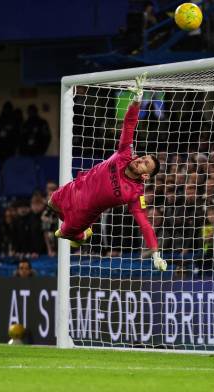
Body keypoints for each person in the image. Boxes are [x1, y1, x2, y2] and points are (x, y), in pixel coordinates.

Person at [48, 73, 167, 271]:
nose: (141, 161)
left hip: (83, 215)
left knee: (63, 233)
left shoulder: (134, 193)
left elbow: (145, 224)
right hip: (75, 187)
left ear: (145, 176)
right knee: (52, 202)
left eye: (145, 164)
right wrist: (136, 100)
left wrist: (155, 253)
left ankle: (82, 235)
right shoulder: (124, 153)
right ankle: (80, 234)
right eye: (143, 158)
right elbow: (129, 124)